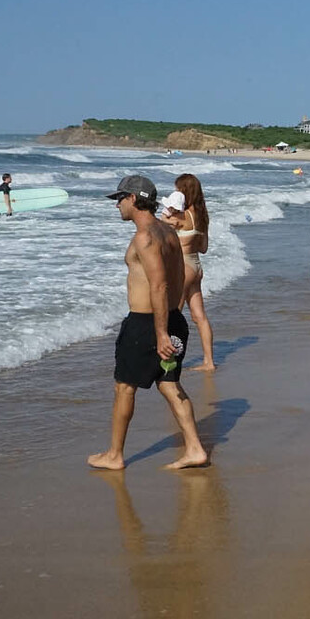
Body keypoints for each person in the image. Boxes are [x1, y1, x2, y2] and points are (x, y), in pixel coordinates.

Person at [88, 176, 208, 471]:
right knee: (169, 384)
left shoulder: (145, 237)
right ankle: (194, 449)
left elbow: (160, 285)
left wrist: (161, 331)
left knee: (124, 388)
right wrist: (173, 321)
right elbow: (177, 278)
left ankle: (115, 455)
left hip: (147, 324)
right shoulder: (167, 232)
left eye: (119, 198)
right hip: (171, 319)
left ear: (133, 198)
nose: (117, 205)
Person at [173, 174, 216, 371]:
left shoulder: (181, 217)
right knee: (200, 317)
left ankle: (172, 360)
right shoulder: (202, 217)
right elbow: (204, 248)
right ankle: (209, 361)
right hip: (196, 266)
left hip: (182, 267)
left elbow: (156, 224)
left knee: (175, 316)